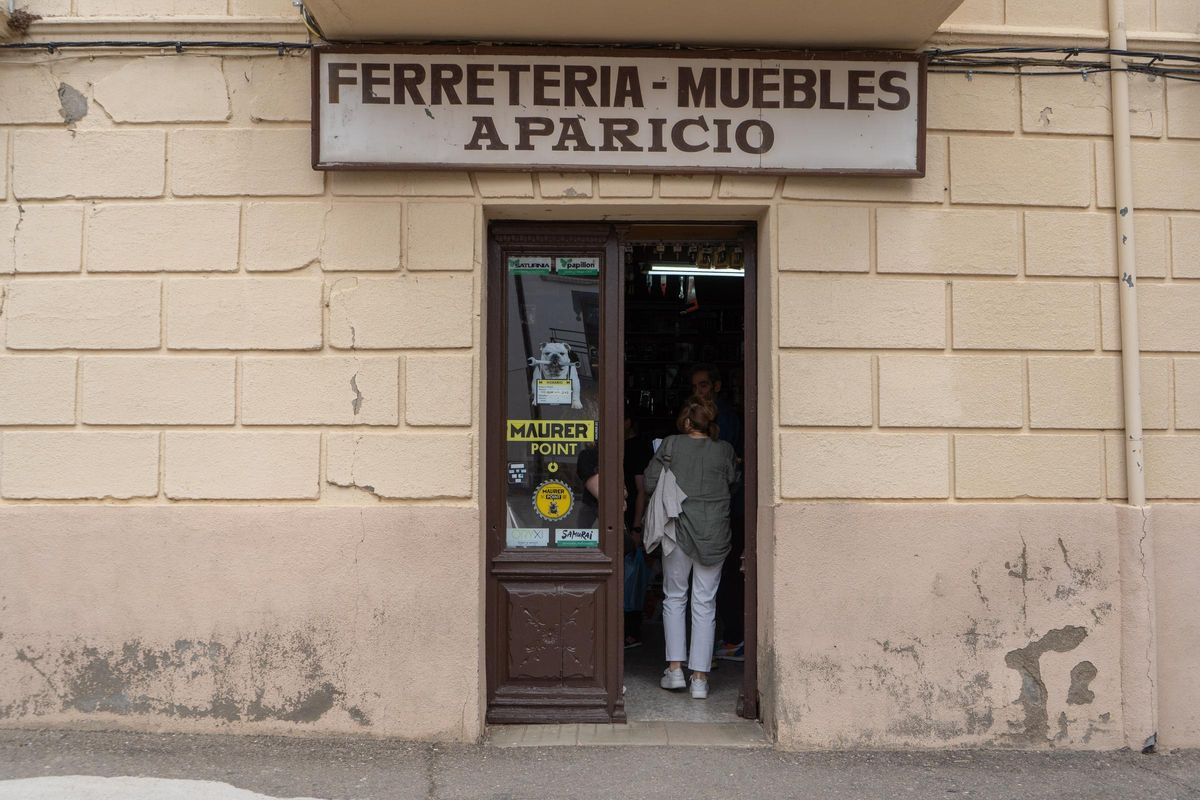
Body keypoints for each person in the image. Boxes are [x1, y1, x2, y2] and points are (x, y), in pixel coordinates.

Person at [643, 396, 737, 700]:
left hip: (679, 529)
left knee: (674, 597)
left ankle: (675, 669)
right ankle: (700, 678)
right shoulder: (724, 450)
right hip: (714, 532)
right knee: (705, 603)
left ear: (686, 422)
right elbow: (732, 482)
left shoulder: (670, 444)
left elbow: (649, 483)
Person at [690, 364, 746, 662]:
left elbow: (728, 465)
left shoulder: (723, 419)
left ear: (716, 386)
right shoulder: (711, 416)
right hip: (721, 505)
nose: (699, 391)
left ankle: (734, 637)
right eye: (695, 386)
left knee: (725, 576)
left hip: (727, 507)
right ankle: (729, 637)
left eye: (703, 385)